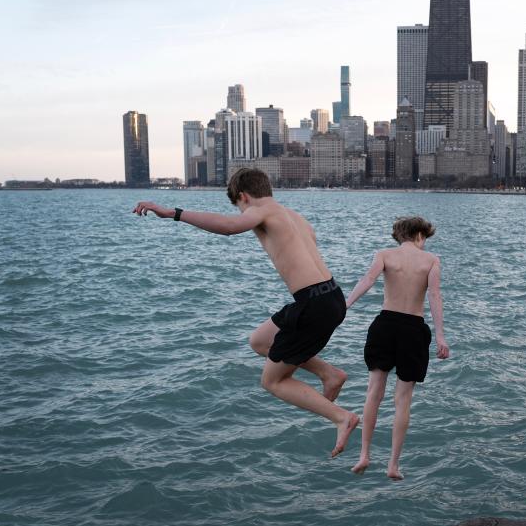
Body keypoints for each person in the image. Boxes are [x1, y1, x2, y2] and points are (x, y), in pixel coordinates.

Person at [132, 168, 359, 458]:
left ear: (244, 196)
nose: (242, 214)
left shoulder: (259, 211)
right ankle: (329, 374)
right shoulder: (294, 216)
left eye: (240, 206)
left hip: (313, 305)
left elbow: (229, 226)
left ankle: (342, 417)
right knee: (260, 342)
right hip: (330, 295)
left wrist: (173, 213)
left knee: (272, 381)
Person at [344, 216, 450, 480]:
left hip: (385, 325)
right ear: (419, 235)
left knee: (373, 393)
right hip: (413, 329)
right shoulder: (431, 261)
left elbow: (367, 281)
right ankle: (393, 464)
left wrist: (344, 307)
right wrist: (440, 337)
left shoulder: (384, 255)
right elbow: (435, 296)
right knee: (402, 401)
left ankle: (364, 454)